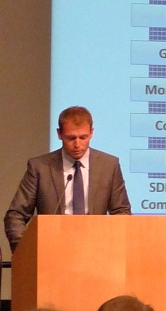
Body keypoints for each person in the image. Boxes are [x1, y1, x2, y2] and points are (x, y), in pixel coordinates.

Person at [4, 106, 131, 251]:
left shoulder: (109, 165)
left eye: (83, 137)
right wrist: (25, 250)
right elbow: (15, 215)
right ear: (59, 134)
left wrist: (113, 246)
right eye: (71, 138)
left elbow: (122, 212)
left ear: (91, 133)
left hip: (96, 251)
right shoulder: (40, 167)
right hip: (51, 250)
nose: (77, 144)